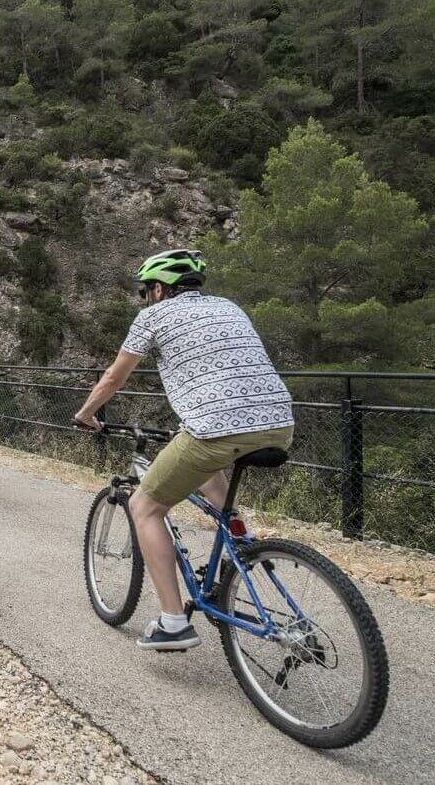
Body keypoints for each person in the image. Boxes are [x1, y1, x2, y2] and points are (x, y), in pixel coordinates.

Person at [73, 249, 294, 650]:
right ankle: (241, 546)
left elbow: (114, 377)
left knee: (144, 507)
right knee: (209, 468)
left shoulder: (152, 316)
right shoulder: (229, 306)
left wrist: (87, 413)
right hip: (279, 424)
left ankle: (174, 621)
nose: (145, 298)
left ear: (158, 288)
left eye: (146, 291)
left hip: (215, 429)